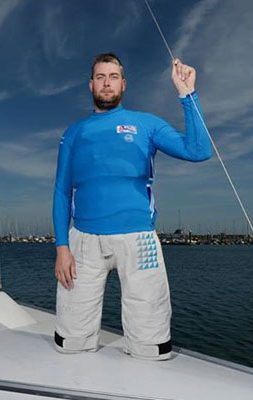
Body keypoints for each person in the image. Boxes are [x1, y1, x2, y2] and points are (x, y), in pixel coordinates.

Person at [52, 53, 212, 360]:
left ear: (123, 84)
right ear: (90, 85)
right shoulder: (73, 132)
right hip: (83, 242)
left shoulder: (146, 124)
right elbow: (61, 191)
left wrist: (187, 93)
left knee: (151, 347)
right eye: (100, 77)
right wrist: (62, 247)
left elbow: (198, 151)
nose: (107, 83)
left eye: (113, 77)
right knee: (71, 343)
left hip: (139, 241)